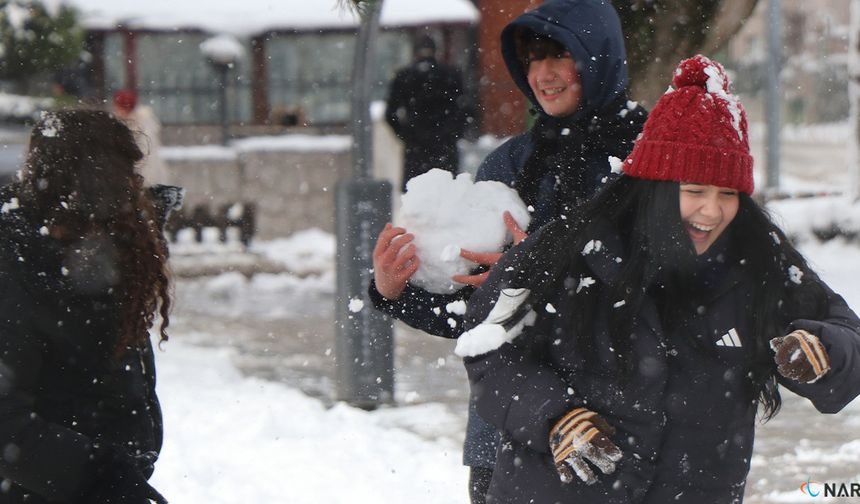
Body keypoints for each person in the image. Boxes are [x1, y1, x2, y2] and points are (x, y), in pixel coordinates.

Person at [457, 55, 860, 503]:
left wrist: (822, 349)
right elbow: (487, 344)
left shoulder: (758, 263)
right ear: (654, 188)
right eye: (694, 192)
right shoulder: (571, 248)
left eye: (728, 194)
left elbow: (847, 334)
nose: (712, 211)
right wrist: (554, 417)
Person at [370, 1, 647, 502]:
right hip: (507, 435)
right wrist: (394, 290)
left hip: (622, 431)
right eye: (532, 60)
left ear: (598, 56)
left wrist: (542, 275)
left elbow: (674, 290)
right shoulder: (510, 164)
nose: (543, 75)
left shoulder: (650, 158)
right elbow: (471, 318)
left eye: (560, 56)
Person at [0, 110, 173, 503]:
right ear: (91, 182)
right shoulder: (17, 267)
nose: (136, 184)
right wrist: (101, 476)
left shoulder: (100, 259)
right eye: (124, 172)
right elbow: (5, 422)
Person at [385, 34, 470, 191]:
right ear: (435, 51)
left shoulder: (404, 76)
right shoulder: (451, 74)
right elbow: (465, 109)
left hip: (416, 149)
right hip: (445, 147)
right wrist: (453, 133)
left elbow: (390, 113)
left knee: (416, 198)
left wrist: (406, 135)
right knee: (448, 195)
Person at [112, 89, 169, 186]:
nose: (115, 110)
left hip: (145, 177)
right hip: (150, 176)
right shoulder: (143, 121)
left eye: (118, 107)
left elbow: (143, 156)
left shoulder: (138, 125)